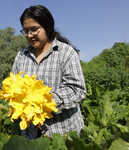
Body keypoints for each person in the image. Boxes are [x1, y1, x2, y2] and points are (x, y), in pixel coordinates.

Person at [12, 5, 86, 140]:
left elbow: (76, 90)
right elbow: (13, 87)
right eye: (26, 31)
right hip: (31, 135)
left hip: (63, 134)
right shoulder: (21, 56)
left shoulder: (65, 52)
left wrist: (43, 102)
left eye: (34, 30)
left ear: (47, 26)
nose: (30, 35)